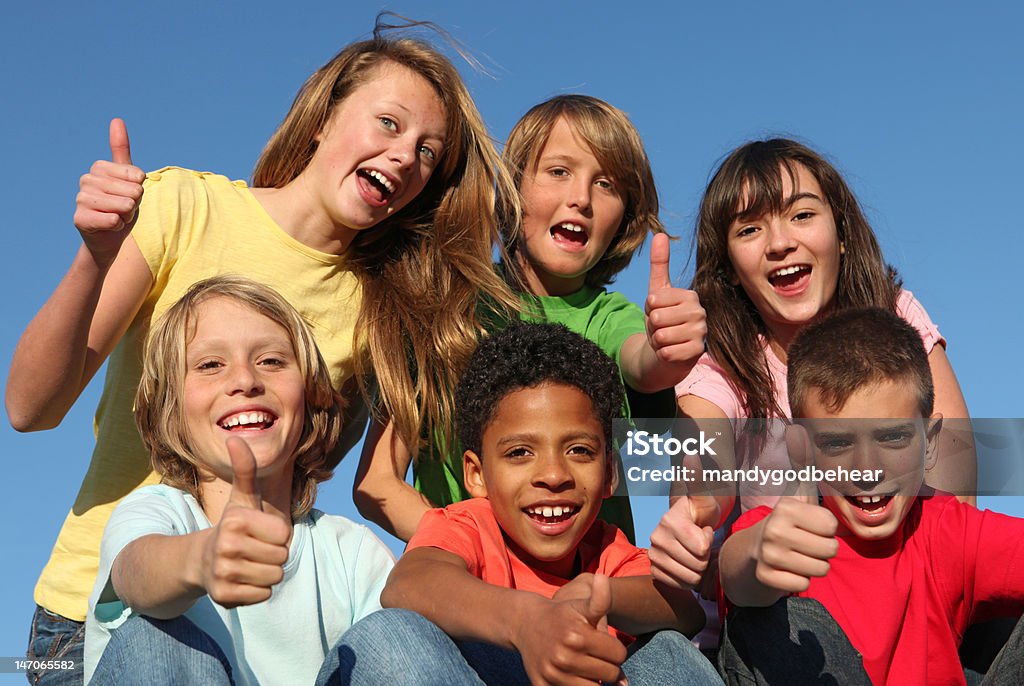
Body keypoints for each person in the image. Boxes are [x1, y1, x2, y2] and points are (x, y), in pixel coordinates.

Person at [7, 16, 518, 685]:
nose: (404, 156)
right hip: (95, 616)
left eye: (428, 153)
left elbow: (321, 480)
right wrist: (92, 261)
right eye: (389, 124)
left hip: (264, 632)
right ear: (323, 117)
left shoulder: (383, 312)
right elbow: (29, 408)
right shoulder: (183, 207)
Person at [648, 138, 975, 649]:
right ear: (731, 268)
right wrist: (692, 518)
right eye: (750, 229)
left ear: (841, 233)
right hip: (784, 632)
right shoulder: (724, 369)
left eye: (801, 215)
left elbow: (957, 484)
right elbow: (700, 478)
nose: (779, 243)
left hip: (911, 607)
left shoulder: (896, 315)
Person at [355, 94, 706, 543]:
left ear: (624, 219)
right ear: (512, 185)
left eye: (607, 185)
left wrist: (665, 353)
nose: (580, 198)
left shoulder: (613, 318)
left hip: (590, 598)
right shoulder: (440, 308)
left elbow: (641, 365)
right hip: (464, 597)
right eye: (558, 172)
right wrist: (471, 556)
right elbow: (376, 482)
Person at [329, 322, 719, 685]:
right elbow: (409, 583)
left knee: (668, 649)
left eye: (580, 450)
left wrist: (599, 595)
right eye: (519, 452)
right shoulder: (467, 524)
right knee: (388, 637)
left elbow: (685, 610)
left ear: (610, 475)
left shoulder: (606, 551)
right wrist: (527, 622)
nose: (553, 475)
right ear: (476, 475)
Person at [82, 276, 395, 685]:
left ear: (312, 395)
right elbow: (133, 576)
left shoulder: (350, 552)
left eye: (271, 361)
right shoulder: (158, 513)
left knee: (397, 633)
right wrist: (203, 557)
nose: (246, 380)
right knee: (154, 633)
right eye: (211, 365)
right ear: (170, 410)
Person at [717, 307, 1024, 685]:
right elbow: (738, 571)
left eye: (892, 437)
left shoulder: (943, 529)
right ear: (801, 449)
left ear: (928, 443)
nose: (867, 468)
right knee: (780, 621)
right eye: (838, 442)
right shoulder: (782, 533)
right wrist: (753, 555)